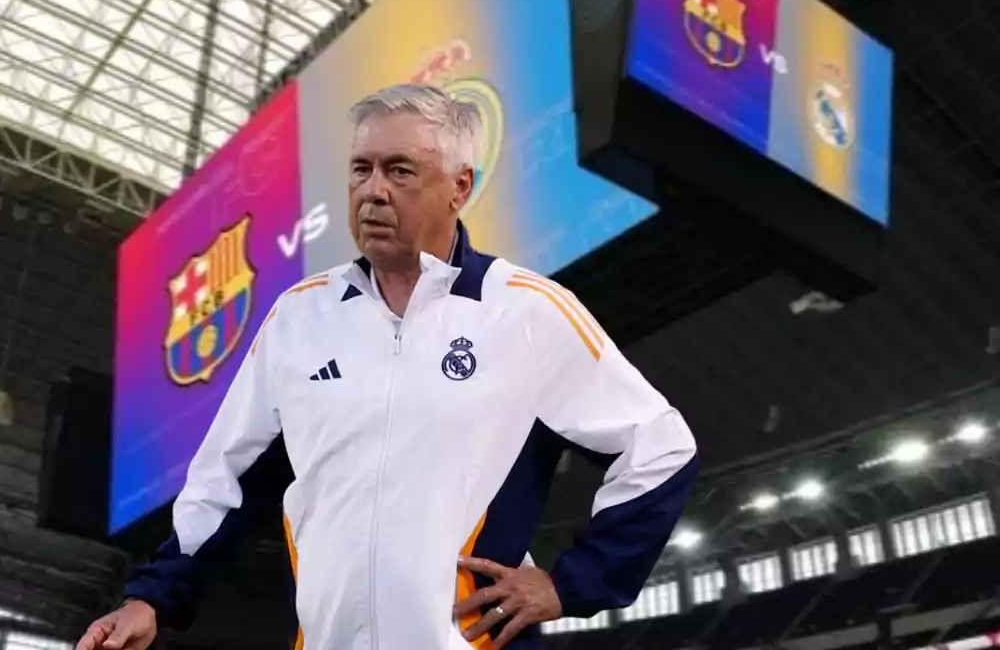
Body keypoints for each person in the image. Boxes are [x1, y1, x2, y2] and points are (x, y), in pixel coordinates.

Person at [77, 84, 698, 650]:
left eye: (400, 171)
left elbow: (660, 447)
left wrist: (570, 584)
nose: (373, 190)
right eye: (361, 169)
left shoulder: (527, 313)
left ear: (459, 186)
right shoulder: (299, 319)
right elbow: (226, 479)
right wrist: (151, 597)